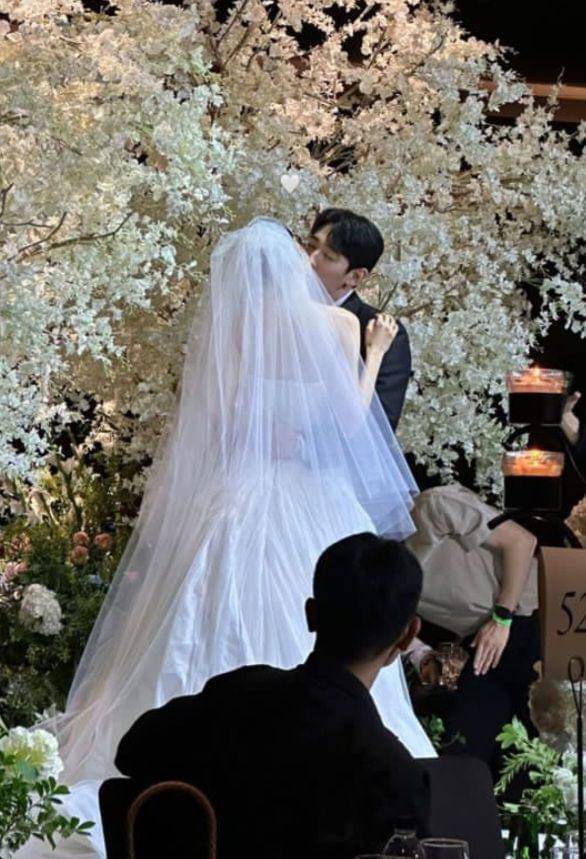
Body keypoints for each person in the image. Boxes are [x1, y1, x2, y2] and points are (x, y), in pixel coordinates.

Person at [16, 218, 434, 859]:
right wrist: (373, 355)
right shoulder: (337, 325)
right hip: (312, 495)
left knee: (209, 605)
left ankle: (218, 762)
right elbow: (352, 424)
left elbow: (223, 420)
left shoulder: (236, 328)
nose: (311, 259)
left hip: (241, 493)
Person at [112, 533, 430, 859]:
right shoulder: (393, 774)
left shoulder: (233, 695)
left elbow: (132, 751)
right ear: (408, 635)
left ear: (311, 614)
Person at [404, 483, 540, 773]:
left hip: (527, 618)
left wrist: (502, 618)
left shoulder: (434, 504)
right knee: (460, 754)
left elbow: (522, 542)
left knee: (533, 754)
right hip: (481, 646)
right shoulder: (378, 563)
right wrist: (424, 658)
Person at [307, 208, 411, 430]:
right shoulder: (273, 314)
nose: (311, 260)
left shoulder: (379, 331)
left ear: (355, 276)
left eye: (328, 256)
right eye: (310, 246)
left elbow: (379, 427)